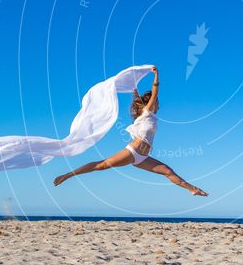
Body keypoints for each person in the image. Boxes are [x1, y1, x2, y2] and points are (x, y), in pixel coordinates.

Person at [53, 66, 209, 196]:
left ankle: (193, 190)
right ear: (151, 104)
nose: (158, 106)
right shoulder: (148, 112)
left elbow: (146, 99)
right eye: (156, 103)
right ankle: (67, 175)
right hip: (133, 151)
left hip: (143, 157)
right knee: (101, 165)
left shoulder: (149, 115)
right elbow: (154, 94)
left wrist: (137, 95)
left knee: (168, 171)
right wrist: (156, 75)